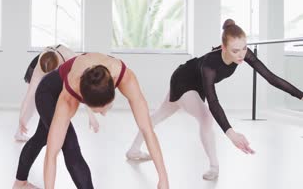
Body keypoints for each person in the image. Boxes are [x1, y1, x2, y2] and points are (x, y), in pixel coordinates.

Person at [126, 19, 303, 180]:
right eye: (235, 51)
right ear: (223, 48)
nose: (241, 54)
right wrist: (231, 133)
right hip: (183, 81)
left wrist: (301, 95)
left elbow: (271, 77)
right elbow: (213, 101)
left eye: (244, 48)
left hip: (194, 83)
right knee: (205, 118)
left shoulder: (244, 54)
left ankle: (133, 149)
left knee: (159, 115)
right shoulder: (210, 65)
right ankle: (214, 167)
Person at [13, 52, 169, 189]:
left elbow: (147, 130)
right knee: (70, 147)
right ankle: (20, 183)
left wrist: (163, 179)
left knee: (40, 138)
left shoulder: (125, 77)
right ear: (83, 99)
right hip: (47, 92)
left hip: (67, 84)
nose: (104, 114)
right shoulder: (69, 96)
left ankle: (19, 183)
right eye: (98, 110)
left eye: (105, 108)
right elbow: (51, 154)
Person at [16, 45, 99, 142]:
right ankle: (19, 132)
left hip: (63, 61)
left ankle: (57, 133)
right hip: (43, 61)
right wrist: (21, 118)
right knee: (33, 99)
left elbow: (82, 88)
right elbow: (29, 95)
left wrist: (91, 116)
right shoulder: (40, 67)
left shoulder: (71, 58)